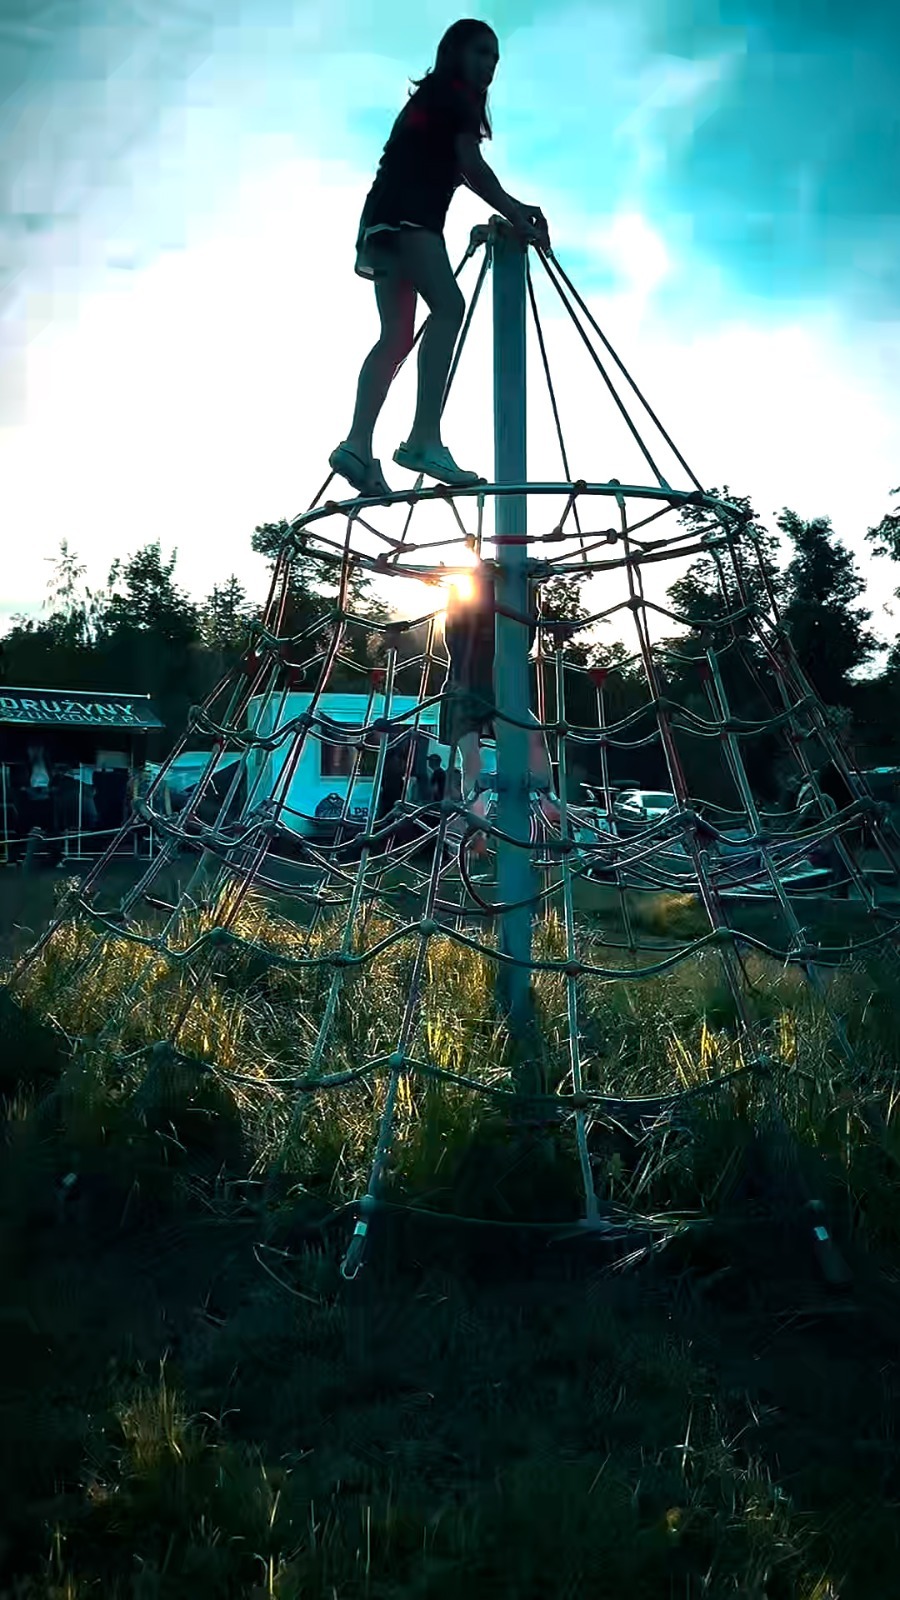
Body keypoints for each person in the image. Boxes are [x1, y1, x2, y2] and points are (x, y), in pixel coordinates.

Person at [330, 19, 550, 499]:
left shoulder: (431, 99)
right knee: (449, 308)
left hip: (381, 220)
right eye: (480, 53)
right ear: (453, 52)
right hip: (412, 217)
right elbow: (471, 167)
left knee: (396, 335)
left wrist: (515, 208)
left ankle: (357, 444)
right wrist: (518, 214)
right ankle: (423, 438)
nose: (489, 65)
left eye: (495, 58)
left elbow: (457, 168)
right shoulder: (456, 97)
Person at [440, 558, 558, 855]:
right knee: (471, 758)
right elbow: (452, 628)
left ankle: (547, 800)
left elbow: (527, 632)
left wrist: (531, 586)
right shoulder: (466, 622)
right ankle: (476, 822)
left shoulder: (507, 628)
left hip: (499, 694)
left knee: (533, 737)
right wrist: (465, 585)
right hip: (465, 691)